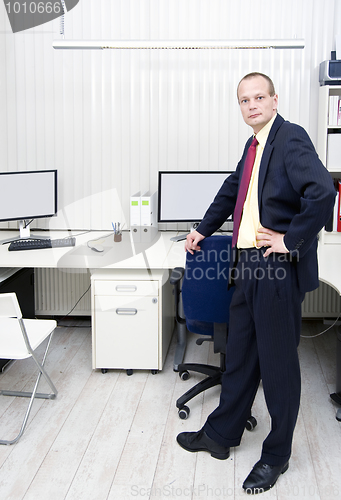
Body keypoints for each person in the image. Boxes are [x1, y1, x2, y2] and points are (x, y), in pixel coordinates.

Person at [176, 72, 336, 494]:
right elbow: (234, 192)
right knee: (241, 356)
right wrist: (202, 229)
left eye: (259, 97)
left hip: (273, 269)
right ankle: (222, 434)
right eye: (244, 100)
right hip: (245, 268)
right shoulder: (254, 145)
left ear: (274, 99)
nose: (251, 105)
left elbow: (322, 191)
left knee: (279, 366)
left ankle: (277, 454)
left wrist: (290, 239)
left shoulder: (290, 137)